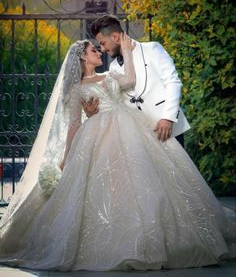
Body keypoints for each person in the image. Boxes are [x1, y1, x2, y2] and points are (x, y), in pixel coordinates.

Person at [0, 37, 235, 272]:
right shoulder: (76, 89)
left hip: (131, 128)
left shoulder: (110, 75)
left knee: (144, 179)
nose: (99, 52)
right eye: (94, 50)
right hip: (98, 135)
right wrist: (66, 157)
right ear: (82, 56)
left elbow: (131, 80)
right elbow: (73, 125)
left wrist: (127, 52)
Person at [83, 14, 191, 147]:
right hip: (139, 137)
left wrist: (168, 118)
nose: (103, 49)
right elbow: (115, 102)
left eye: (103, 43)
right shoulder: (113, 67)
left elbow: (172, 82)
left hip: (166, 127)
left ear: (116, 37)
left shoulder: (152, 49)